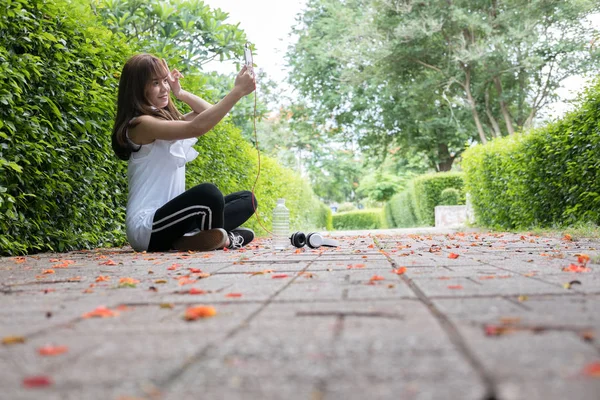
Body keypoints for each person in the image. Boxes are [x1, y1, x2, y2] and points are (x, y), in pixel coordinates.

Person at [111, 53, 257, 252]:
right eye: (155, 83)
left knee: (247, 200)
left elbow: (206, 112)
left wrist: (180, 93)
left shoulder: (162, 122)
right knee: (209, 194)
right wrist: (237, 92)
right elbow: (196, 127)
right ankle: (217, 238)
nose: (164, 88)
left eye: (165, 81)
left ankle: (209, 239)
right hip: (147, 228)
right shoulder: (141, 125)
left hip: (176, 219)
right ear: (137, 88)